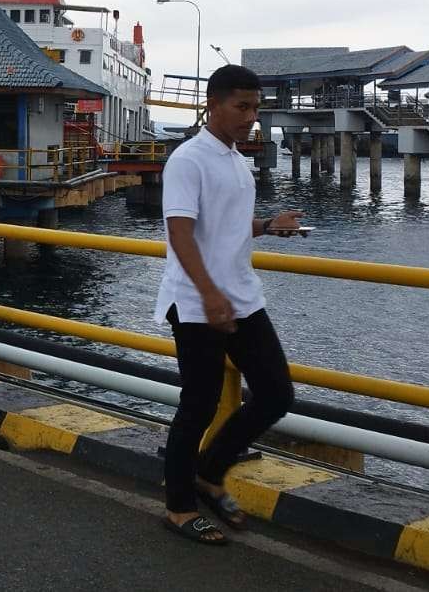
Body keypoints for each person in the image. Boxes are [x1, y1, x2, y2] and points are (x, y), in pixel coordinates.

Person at [158, 65, 301, 545]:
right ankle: (179, 508)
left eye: (256, 108)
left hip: (241, 296)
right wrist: (209, 294)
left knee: (277, 393)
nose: (251, 117)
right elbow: (180, 233)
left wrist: (268, 226)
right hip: (199, 302)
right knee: (197, 405)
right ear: (213, 104)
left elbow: (226, 226)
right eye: (242, 107)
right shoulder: (189, 159)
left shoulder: (236, 160)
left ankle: (210, 471)